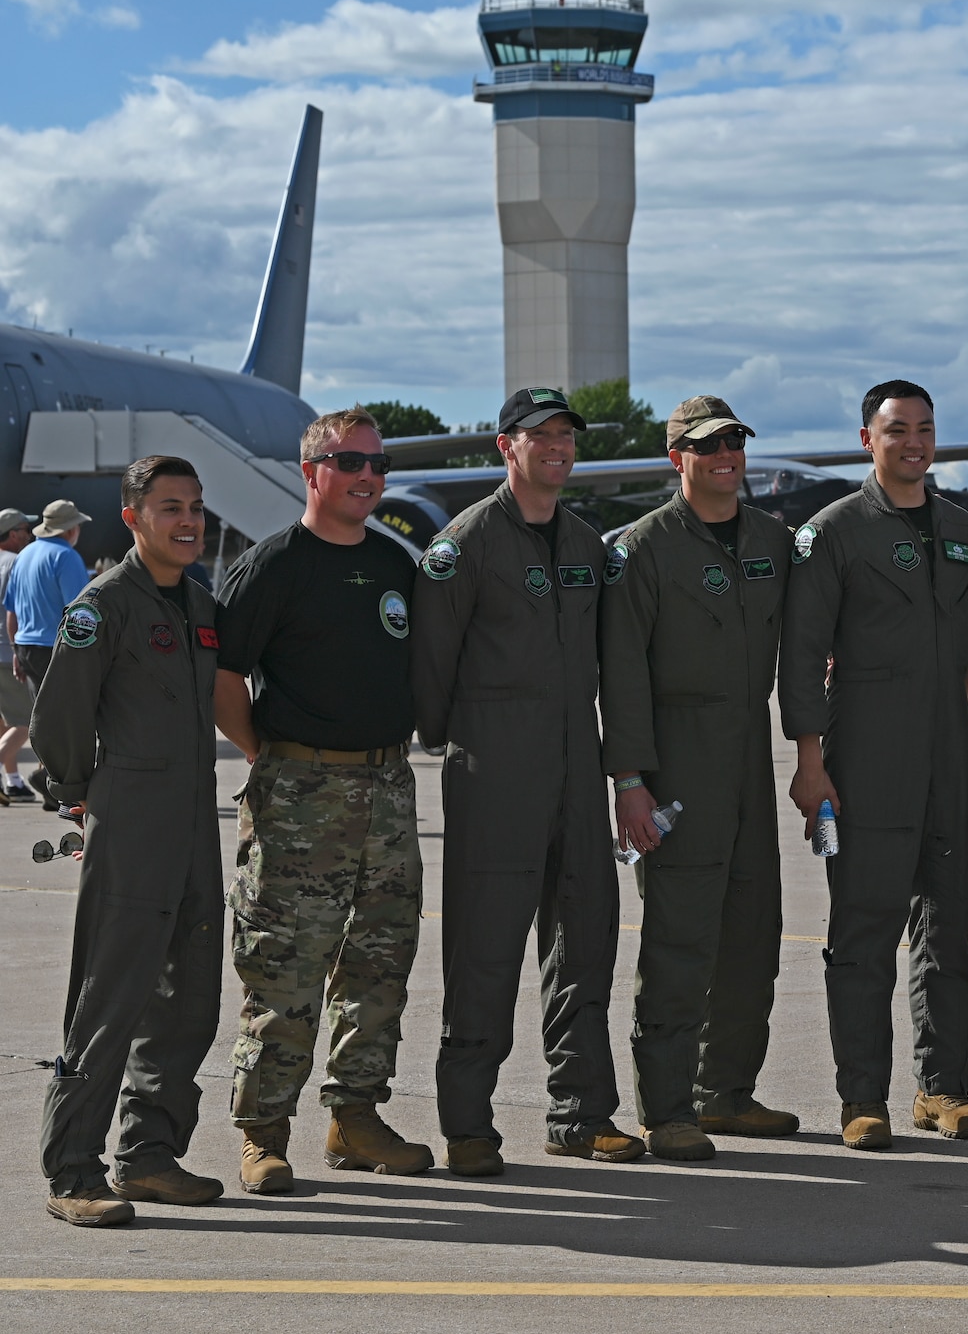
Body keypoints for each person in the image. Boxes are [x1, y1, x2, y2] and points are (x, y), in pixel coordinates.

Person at [411, 387, 641, 1176]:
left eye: (566, 435)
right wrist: (459, 744)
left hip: (578, 772)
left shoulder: (586, 545)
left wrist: (623, 775)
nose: (556, 446)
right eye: (540, 434)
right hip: (496, 768)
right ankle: (468, 1123)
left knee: (585, 945)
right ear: (505, 447)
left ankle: (581, 1113)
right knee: (484, 948)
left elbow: (616, 669)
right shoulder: (465, 543)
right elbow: (431, 666)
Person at [215, 406, 432, 1191]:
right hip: (300, 793)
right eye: (349, 463)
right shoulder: (274, 565)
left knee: (379, 960)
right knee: (285, 967)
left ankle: (356, 1116)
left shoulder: (394, 565)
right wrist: (265, 754)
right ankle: (262, 1131)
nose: (367, 476)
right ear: (311, 472)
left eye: (378, 464)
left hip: (388, 788)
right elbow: (225, 675)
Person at [779, 379, 968, 1151]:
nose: (915, 442)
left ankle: (943, 1088)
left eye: (926, 429)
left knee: (950, 929)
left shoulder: (966, 531)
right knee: (864, 932)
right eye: (898, 429)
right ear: (868, 438)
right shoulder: (835, 532)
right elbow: (802, 655)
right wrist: (810, 763)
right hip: (865, 756)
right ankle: (861, 1097)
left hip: (949, 758)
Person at [598, 395, 798, 1162]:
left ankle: (727, 1091)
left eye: (736, 443)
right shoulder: (644, 549)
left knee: (753, 933)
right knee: (680, 939)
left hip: (749, 754)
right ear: (675, 457)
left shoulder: (772, 540)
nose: (726, 457)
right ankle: (670, 1105)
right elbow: (620, 673)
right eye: (708, 446)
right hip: (678, 759)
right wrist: (630, 779)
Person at [35, 458, 224, 1227]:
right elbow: (59, 720)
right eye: (171, 507)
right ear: (133, 517)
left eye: (196, 507)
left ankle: (148, 1155)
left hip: (192, 819)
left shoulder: (200, 604)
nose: (188, 520)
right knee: (111, 995)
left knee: (189, 998)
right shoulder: (103, 604)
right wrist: (83, 792)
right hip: (132, 815)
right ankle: (74, 1168)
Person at [7, 500, 93, 811]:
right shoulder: (66, 556)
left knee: (44, 719)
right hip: (56, 647)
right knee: (70, 719)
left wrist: (16, 649)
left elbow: (12, 611)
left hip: (27, 646)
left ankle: (51, 780)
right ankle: (58, 783)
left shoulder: (26, 554)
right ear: (71, 529)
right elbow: (81, 612)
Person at [0, 507, 40, 801]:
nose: (30, 535)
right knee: (29, 720)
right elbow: (24, 610)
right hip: (8, 651)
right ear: (13, 534)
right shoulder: (19, 563)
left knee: (3, 722)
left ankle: (12, 781)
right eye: (26, 530)